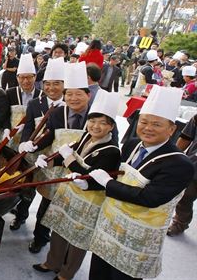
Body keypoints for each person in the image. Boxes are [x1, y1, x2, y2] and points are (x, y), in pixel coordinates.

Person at [87, 86, 193, 280]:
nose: (148, 128)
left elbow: (150, 198)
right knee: (98, 273)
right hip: (108, 227)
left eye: (157, 124)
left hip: (137, 240)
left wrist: (108, 184)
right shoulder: (131, 145)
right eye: (144, 121)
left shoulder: (179, 164)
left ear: (172, 129)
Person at [34, 90, 122, 280]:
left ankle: (67, 273)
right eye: (92, 120)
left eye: (102, 123)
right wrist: (48, 161)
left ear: (111, 127)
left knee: (77, 239)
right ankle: (52, 262)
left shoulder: (111, 151)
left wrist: (69, 159)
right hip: (69, 192)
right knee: (59, 227)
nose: (95, 126)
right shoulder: (85, 137)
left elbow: (92, 178)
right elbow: (66, 158)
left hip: (89, 200)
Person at [18, 61, 94, 254]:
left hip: (82, 173)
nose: (73, 98)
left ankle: (66, 254)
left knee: (73, 214)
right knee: (47, 204)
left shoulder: (97, 117)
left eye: (78, 94)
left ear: (88, 94)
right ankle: (40, 238)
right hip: (55, 165)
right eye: (70, 94)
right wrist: (32, 145)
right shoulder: (58, 113)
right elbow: (49, 135)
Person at [9, 57, 65, 230]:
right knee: (28, 190)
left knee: (49, 198)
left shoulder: (68, 105)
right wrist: (25, 143)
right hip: (34, 154)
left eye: (56, 83)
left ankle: (41, 235)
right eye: (47, 83)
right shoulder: (35, 103)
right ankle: (21, 217)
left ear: (64, 84)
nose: (51, 88)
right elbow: (29, 126)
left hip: (57, 159)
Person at [6, 53, 43, 144]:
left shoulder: (42, 96)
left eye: (29, 77)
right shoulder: (9, 93)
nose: (25, 81)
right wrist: (6, 129)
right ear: (17, 78)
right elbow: (5, 115)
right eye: (22, 77)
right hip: (10, 137)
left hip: (32, 140)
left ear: (35, 77)